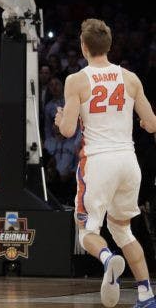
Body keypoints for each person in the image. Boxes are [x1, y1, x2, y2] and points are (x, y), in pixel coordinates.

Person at [55, 19, 156, 308]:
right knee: (123, 230)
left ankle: (108, 259)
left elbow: (68, 131)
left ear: (84, 47)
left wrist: (61, 117)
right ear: (108, 46)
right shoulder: (131, 78)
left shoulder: (76, 80)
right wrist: (139, 120)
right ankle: (146, 294)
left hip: (98, 163)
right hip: (128, 161)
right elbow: (151, 124)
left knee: (87, 232)